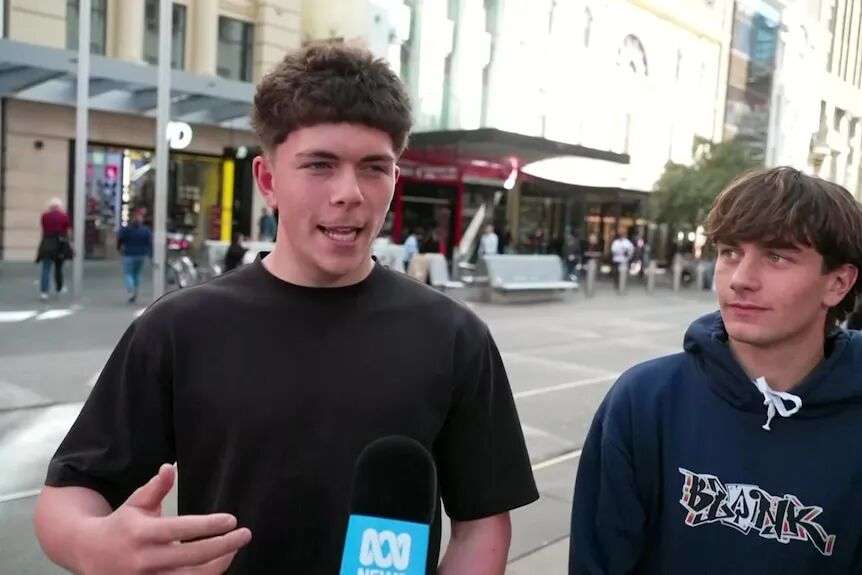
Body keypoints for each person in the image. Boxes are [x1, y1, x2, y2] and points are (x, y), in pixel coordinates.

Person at [35, 44, 538, 575]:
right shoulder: (179, 328)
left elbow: (482, 523)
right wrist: (96, 546)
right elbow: (69, 494)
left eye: (374, 168)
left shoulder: (455, 335)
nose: (350, 193)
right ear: (268, 181)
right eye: (320, 165)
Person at [570, 167, 862, 573]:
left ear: (838, 283)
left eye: (776, 256)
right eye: (730, 252)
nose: (741, 279)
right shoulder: (645, 401)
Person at [36, 198, 72, 301]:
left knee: (46, 269)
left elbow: (43, 229)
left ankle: (44, 292)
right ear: (59, 206)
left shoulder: (44, 216)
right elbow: (67, 231)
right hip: (59, 245)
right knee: (58, 267)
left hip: (47, 244)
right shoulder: (64, 216)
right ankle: (59, 288)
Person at [116, 208, 153, 304]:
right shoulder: (146, 231)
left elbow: (120, 240)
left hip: (129, 254)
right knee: (137, 274)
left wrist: (119, 249)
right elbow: (149, 243)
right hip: (141, 255)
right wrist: (150, 254)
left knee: (128, 273)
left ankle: (131, 287)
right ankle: (135, 293)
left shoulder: (126, 230)